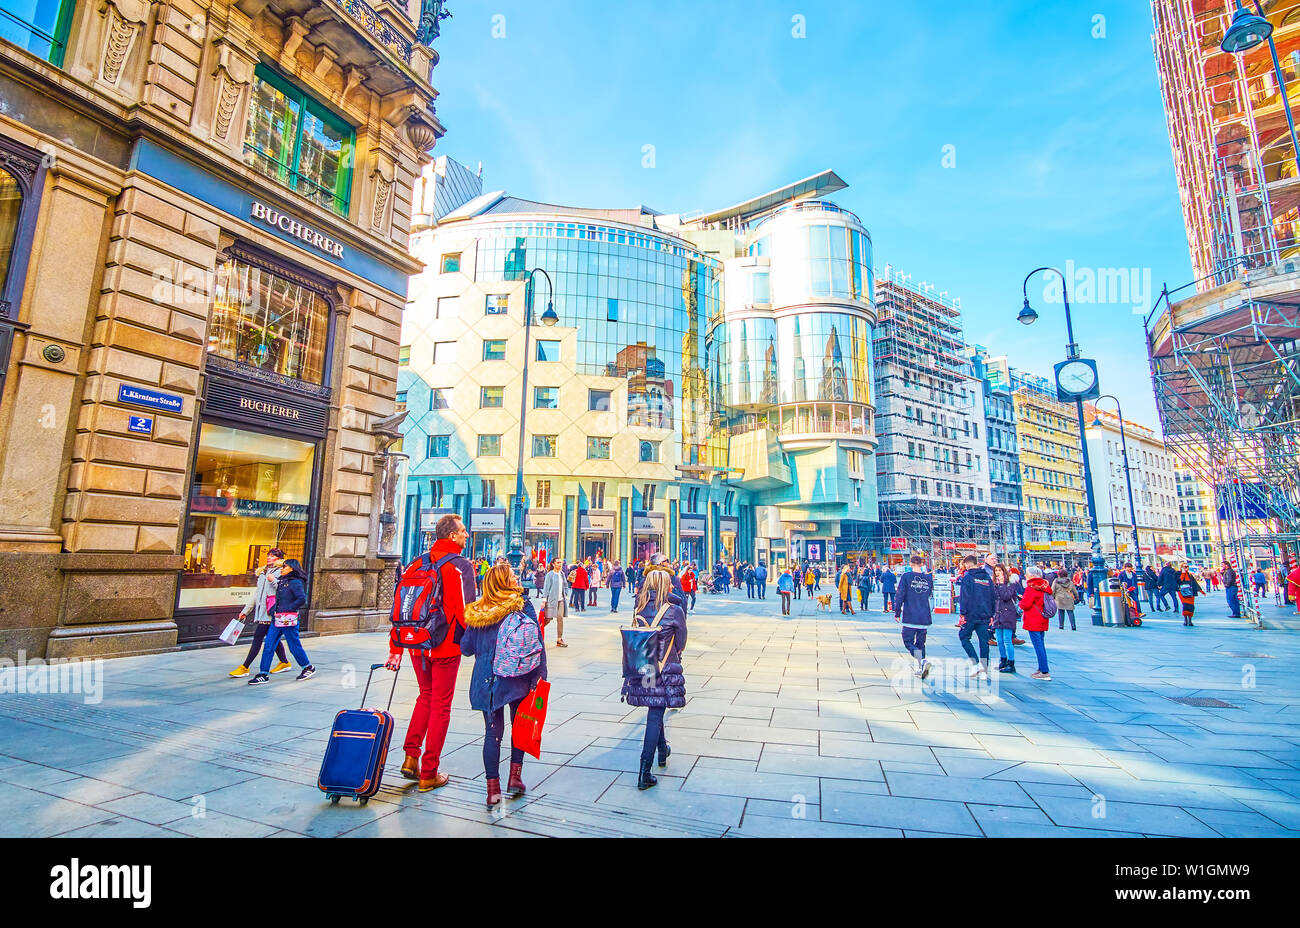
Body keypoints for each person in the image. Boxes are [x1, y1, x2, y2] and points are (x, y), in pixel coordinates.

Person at [382, 515, 474, 791]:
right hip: (445, 644)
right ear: (451, 535)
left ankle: (411, 756)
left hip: (416, 643)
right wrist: (475, 642)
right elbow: (465, 610)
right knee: (441, 705)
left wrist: (395, 648)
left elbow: (403, 607)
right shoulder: (460, 565)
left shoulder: (416, 563)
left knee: (426, 695)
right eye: (463, 532)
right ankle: (429, 772)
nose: (466, 536)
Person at [460, 563, 547, 808]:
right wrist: (540, 675)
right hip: (517, 677)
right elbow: (536, 642)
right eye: (512, 576)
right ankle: (515, 778)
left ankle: (493, 791)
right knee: (519, 727)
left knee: (492, 734)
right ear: (505, 583)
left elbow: (466, 649)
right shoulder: (521, 605)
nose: (516, 577)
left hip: (486, 681)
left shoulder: (478, 611)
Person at [621, 570, 687, 791]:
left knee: (654, 706)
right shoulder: (674, 610)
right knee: (655, 712)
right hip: (663, 668)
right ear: (668, 585)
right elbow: (681, 641)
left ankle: (662, 751)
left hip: (643, 669)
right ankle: (644, 772)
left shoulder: (639, 607)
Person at [247, 558, 315, 686]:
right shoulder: (283, 581)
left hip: (288, 619)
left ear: (292, 569)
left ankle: (308, 667)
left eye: (285, 566)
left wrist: (288, 609)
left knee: (293, 645)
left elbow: (301, 599)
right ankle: (263, 674)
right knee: (269, 645)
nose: (282, 568)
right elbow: (278, 598)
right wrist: (274, 610)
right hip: (277, 618)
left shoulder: (295, 582)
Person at [229, 547, 291, 678]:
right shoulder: (262, 572)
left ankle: (245, 667)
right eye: (269, 555)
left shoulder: (281, 571)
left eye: (273, 555)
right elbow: (257, 595)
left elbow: (284, 590)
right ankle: (284, 662)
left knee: (258, 637)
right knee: (273, 639)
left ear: (279, 559)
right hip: (261, 611)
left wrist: (273, 580)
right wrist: (245, 611)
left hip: (271, 612)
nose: (269, 557)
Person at [894, 554, 935, 678]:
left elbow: (900, 594)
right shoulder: (928, 578)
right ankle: (920, 667)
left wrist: (897, 611)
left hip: (911, 614)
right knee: (921, 643)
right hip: (924, 614)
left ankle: (922, 661)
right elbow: (929, 593)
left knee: (908, 641)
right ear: (922, 564)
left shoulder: (906, 577)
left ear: (910, 564)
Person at [957, 553, 995, 678]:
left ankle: (976, 663)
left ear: (967, 564)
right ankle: (984, 668)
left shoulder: (967, 578)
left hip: (971, 614)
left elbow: (964, 597)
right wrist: (991, 613)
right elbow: (992, 596)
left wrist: (962, 613)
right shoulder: (987, 578)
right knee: (984, 641)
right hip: (984, 614)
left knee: (964, 637)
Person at [1020, 566, 1053, 681]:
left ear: (1033, 575)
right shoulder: (1045, 586)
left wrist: (1021, 601)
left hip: (1033, 619)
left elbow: (1025, 604)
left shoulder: (1032, 587)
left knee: (1038, 646)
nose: (1025, 576)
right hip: (1043, 618)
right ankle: (1041, 668)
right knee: (1041, 644)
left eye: (1027, 574)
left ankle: (1044, 671)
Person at [990, 564, 1019, 674]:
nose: (998, 573)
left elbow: (1006, 596)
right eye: (996, 571)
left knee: (1007, 639)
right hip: (998, 614)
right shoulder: (995, 584)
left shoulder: (1010, 583)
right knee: (999, 640)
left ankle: (1011, 663)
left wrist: (1001, 584)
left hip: (1008, 614)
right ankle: (1003, 660)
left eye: (1000, 570)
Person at [543, 556, 568, 647]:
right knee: (548, 619)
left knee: (560, 617)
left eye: (560, 562)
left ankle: (559, 639)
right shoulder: (550, 574)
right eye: (558, 562)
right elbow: (546, 587)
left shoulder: (562, 574)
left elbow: (565, 584)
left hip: (561, 600)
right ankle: (536, 631)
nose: (560, 564)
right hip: (551, 600)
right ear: (553, 564)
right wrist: (544, 599)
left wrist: (566, 593)